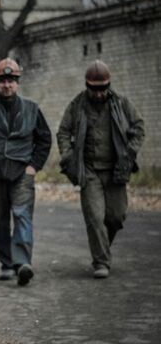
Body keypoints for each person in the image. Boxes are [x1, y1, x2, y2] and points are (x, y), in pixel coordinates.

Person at [0, 58, 51, 286]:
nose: (7, 85)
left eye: (11, 80)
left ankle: (22, 263)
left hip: (22, 171)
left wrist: (34, 166)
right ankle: (6, 263)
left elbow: (44, 139)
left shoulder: (32, 109)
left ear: (17, 82)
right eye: (3, 80)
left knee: (22, 215)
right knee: (1, 218)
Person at [57, 60, 144, 279]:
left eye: (102, 88)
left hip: (117, 170)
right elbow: (63, 131)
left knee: (116, 217)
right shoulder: (78, 104)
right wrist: (68, 156)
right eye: (94, 89)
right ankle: (101, 261)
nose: (98, 94)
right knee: (95, 218)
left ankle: (102, 246)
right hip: (89, 171)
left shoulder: (121, 104)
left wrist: (128, 152)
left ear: (109, 85)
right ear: (87, 86)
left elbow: (139, 128)